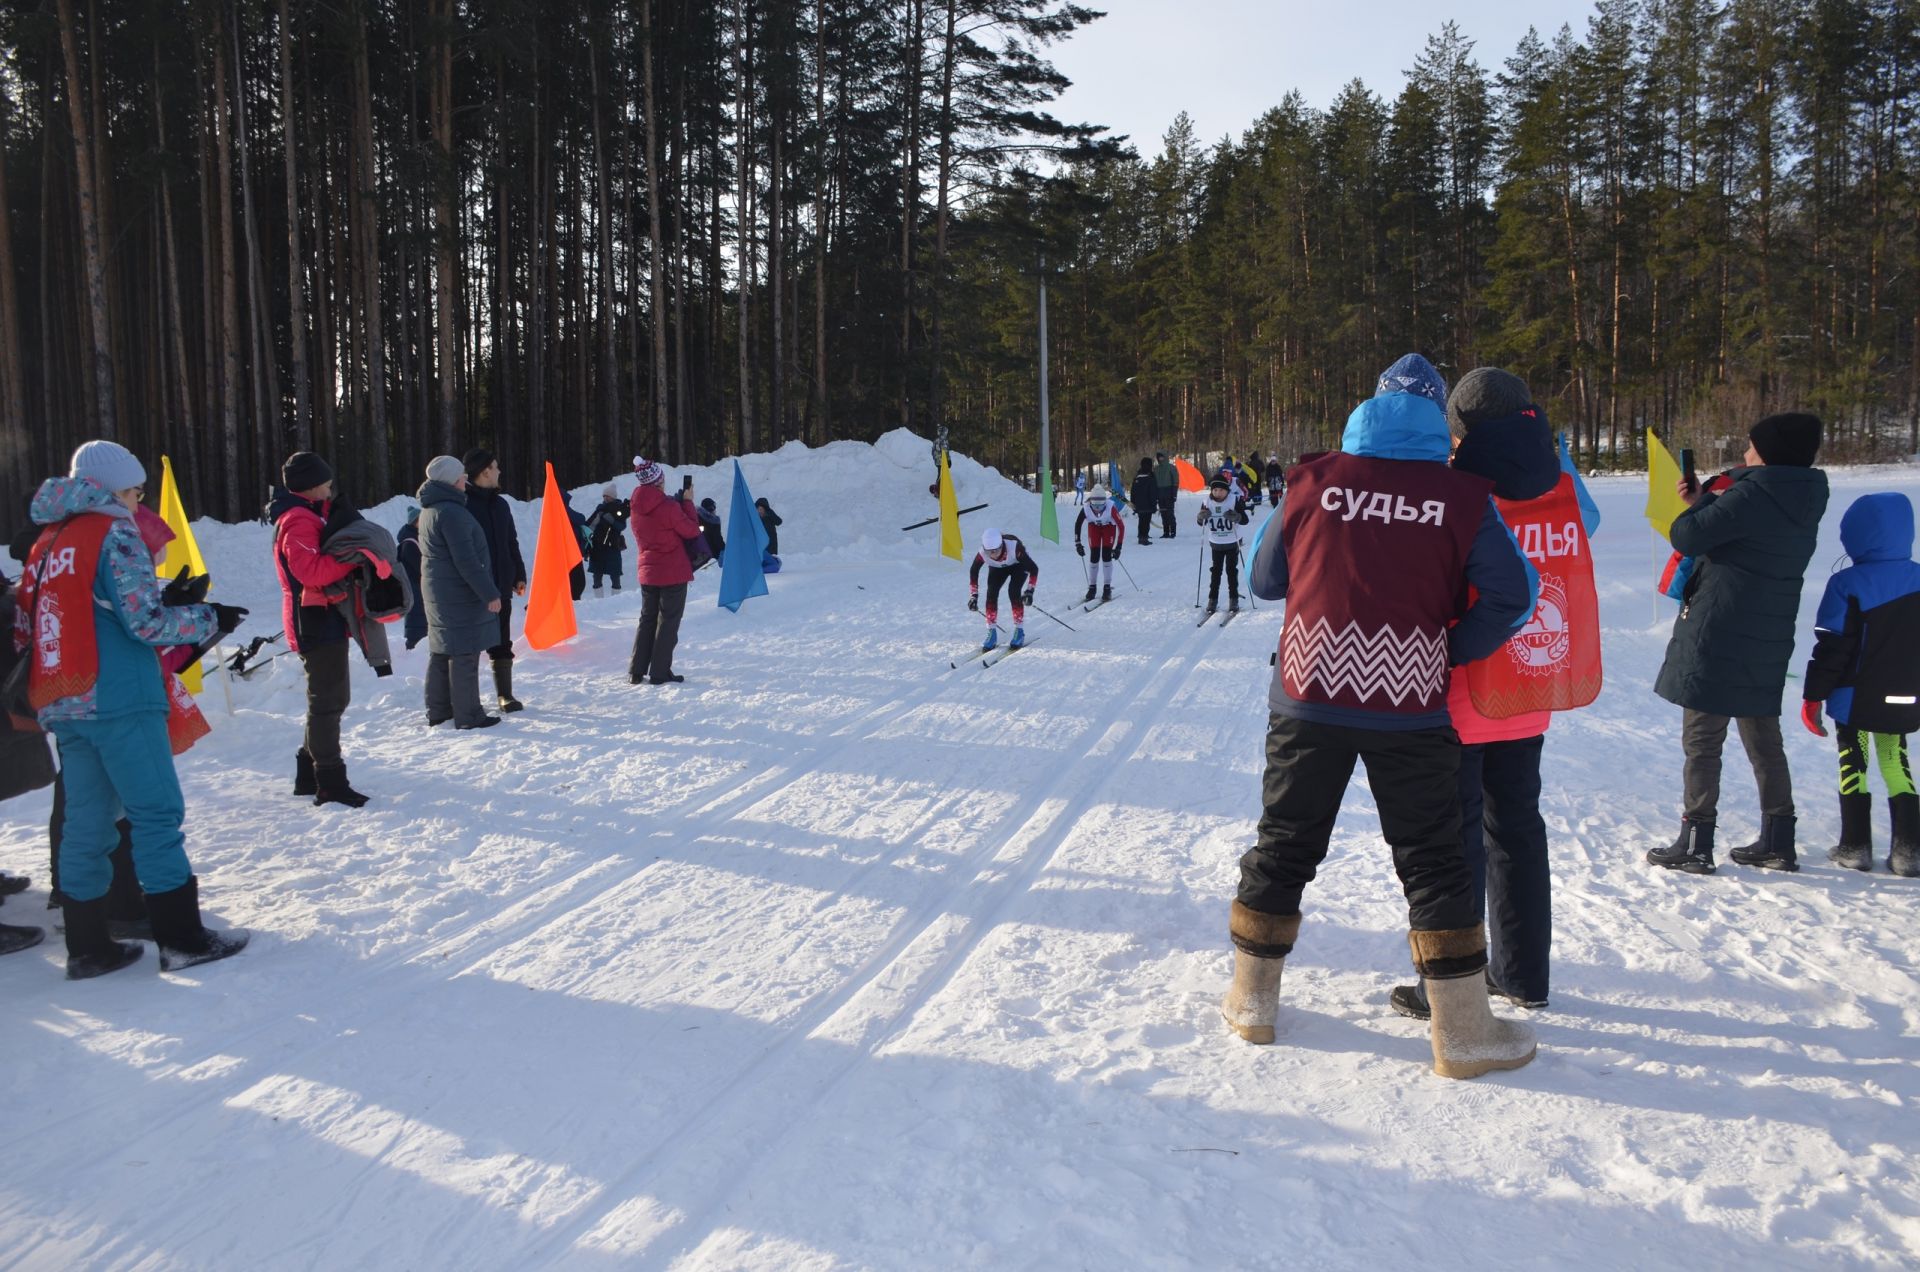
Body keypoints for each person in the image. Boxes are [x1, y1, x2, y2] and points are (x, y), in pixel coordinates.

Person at [1223, 354, 1538, 1079]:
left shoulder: (1313, 480)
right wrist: (1448, 645)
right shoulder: (1462, 497)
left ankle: (1252, 1002)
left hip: (1308, 690)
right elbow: (1511, 595)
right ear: (1435, 421)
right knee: (1433, 857)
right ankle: (1461, 1032)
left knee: (1285, 842)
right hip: (1408, 700)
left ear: (1367, 411)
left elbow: (1265, 580)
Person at [1388, 367, 1591, 1021]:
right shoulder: (1564, 481)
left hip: (1464, 686)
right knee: (1519, 831)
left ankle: (1450, 985)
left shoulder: (1459, 485)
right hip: (1533, 679)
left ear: (1463, 425)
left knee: (1455, 845)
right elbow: (1582, 524)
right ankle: (1525, 975)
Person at [15, 440, 249, 978]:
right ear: (113, 487)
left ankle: (88, 946)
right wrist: (203, 616)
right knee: (155, 814)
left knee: (86, 823)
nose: (139, 499)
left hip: (64, 698)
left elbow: (32, 627)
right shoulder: (113, 530)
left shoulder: (48, 541)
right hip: (119, 695)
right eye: (135, 489)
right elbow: (144, 622)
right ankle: (183, 938)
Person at [1647, 413, 1829, 875]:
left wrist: (1698, 505)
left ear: (1769, 452)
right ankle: (1778, 838)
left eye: (1751, 447)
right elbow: (1746, 531)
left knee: (1703, 741)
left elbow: (1687, 535)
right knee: (1764, 739)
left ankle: (1696, 841)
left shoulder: (1753, 491)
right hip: (1768, 633)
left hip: (1721, 630)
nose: (1746, 455)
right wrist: (1710, 498)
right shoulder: (1806, 494)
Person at [1800, 492, 1920, 876]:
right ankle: (1909, 853)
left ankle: (1854, 846)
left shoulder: (1846, 583)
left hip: (1853, 696)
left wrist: (1813, 695)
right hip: (1905, 693)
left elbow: (1832, 647)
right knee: (1895, 760)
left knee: (1853, 760)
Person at [268, 451, 370, 807]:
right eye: (326, 483)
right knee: (328, 702)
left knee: (328, 699)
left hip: (320, 616)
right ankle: (329, 781)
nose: (330, 489)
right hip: (313, 620)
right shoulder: (298, 520)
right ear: (311, 487)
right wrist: (350, 559)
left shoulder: (306, 514)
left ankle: (308, 774)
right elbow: (309, 572)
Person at [417, 455, 503, 730]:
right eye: (462, 476)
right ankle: (469, 715)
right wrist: (489, 593)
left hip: (440, 592)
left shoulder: (431, 510)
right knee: (465, 653)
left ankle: (439, 711)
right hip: (458, 594)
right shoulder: (451, 513)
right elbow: (467, 561)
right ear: (452, 480)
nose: (466, 479)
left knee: (442, 651)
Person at [461, 448, 528, 713]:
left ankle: (505, 695)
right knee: (471, 645)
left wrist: (519, 574)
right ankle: (468, 699)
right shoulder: (463, 504)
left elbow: (511, 542)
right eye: (496, 466)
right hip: (474, 588)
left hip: (502, 585)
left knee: (502, 641)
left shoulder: (501, 505)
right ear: (484, 471)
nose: (500, 471)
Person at [628, 456, 704, 685]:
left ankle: (636, 670)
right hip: (672, 572)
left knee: (647, 619)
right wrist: (688, 503)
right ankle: (660, 672)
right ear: (658, 481)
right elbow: (692, 530)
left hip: (648, 571)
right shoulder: (669, 507)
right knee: (668, 621)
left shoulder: (636, 507)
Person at [967, 528, 1038, 652]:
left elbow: (1034, 569)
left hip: (1018, 565)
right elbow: (974, 571)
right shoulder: (982, 553)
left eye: (996, 550)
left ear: (1002, 545)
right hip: (997, 568)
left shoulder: (1014, 547)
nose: (993, 555)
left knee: (1013, 591)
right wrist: (974, 596)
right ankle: (991, 632)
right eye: (989, 552)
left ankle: (1019, 630)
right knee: (991, 593)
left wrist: (1029, 591)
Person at [1198, 474, 1248, 615]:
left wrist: (1237, 516)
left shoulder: (1233, 500)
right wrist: (1200, 517)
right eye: (1215, 490)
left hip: (1232, 542)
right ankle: (1212, 600)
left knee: (1231, 571)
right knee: (1216, 572)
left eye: (1221, 490)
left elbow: (1245, 520)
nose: (1217, 493)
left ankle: (1234, 599)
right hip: (1216, 543)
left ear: (1227, 490)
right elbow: (1201, 522)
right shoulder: (1207, 501)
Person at [1073, 486, 1126, 603]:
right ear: (1090, 502)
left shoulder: (1111, 507)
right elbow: (1078, 524)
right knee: (1094, 556)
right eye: (1095, 506)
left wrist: (1118, 547)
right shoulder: (1086, 507)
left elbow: (1121, 527)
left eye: (1100, 506)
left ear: (1105, 503)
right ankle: (1092, 587)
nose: (1097, 510)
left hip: (1108, 527)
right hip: (1094, 528)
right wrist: (1078, 543)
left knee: (1106, 555)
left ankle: (1107, 587)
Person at [585, 486, 630, 595]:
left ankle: (616, 599)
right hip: (597, 546)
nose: (605, 498)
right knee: (596, 573)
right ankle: (599, 600)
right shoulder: (600, 509)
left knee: (615, 574)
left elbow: (622, 526)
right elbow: (590, 526)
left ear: (613, 497)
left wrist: (612, 521)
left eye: (608, 496)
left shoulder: (620, 509)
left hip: (612, 546)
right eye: (604, 496)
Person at [396, 506, 428, 648]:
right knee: (417, 624)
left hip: (416, 589)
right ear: (416, 522)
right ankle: (412, 647)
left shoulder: (412, 540)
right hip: (415, 589)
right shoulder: (410, 543)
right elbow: (422, 568)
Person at [1129, 459, 1158, 545]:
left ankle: (1141, 536)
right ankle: (1144, 538)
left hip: (1139, 504)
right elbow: (1153, 492)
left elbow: (1133, 491)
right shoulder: (1151, 477)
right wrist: (1154, 505)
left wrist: (1133, 502)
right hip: (1148, 504)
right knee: (1146, 521)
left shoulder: (1137, 477)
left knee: (1141, 521)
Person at [1154, 451, 1178, 539]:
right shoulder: (1156, 469)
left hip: (1169, 493)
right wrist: (1155, 495)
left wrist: (1174, 494)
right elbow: (1154, 483)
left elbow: (1175, 482)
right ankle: (1166, 532)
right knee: (1163, 513)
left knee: (1170, 513)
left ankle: (1173, 532)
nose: (1160, 459)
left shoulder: (1171, 467)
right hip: (1160, 494)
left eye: (1162, 457)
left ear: (1165, 457)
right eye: (1159, 457)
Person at [697, 497, 728, 563]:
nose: (715, 510)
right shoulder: (714, 522)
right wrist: (724, 549)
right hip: (715, 554)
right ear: (711, 509)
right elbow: (717, 539)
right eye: (714, 507)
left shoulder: (698, 519)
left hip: (703, 552)